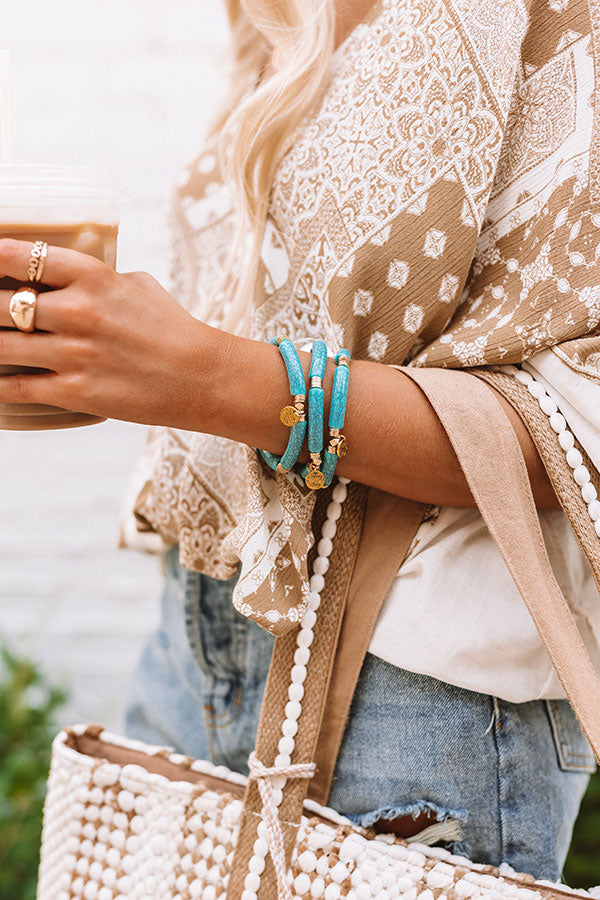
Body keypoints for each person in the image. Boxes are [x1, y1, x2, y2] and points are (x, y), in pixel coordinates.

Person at [1, 0, 599, 881]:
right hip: (197, 634)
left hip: (414, 688)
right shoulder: (277, 13)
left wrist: (206, 377)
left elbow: (578, 431)